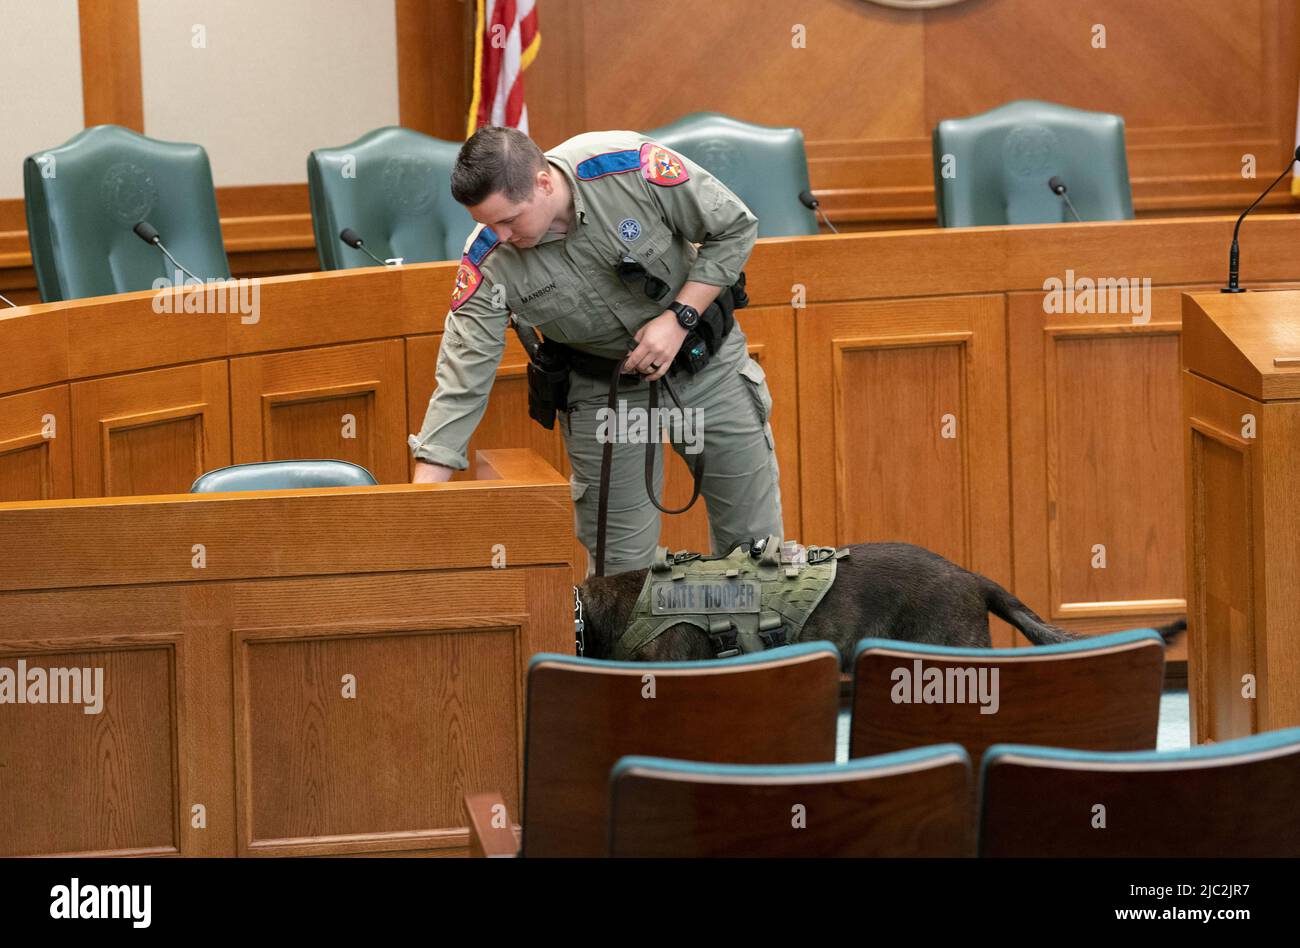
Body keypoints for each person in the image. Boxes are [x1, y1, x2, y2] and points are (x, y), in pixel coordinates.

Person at [408, 125, 783, 576]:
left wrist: (681, 317)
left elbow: (734, 228)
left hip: (707, 369)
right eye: (487, 223)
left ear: (544, 182)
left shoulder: (628, 167)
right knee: (619, 578)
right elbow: (461, 380)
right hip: (607, 394)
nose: (500, 235)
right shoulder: (488, 261)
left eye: (509, 219)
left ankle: (758, 647)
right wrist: (419, 508)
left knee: (757, 553)